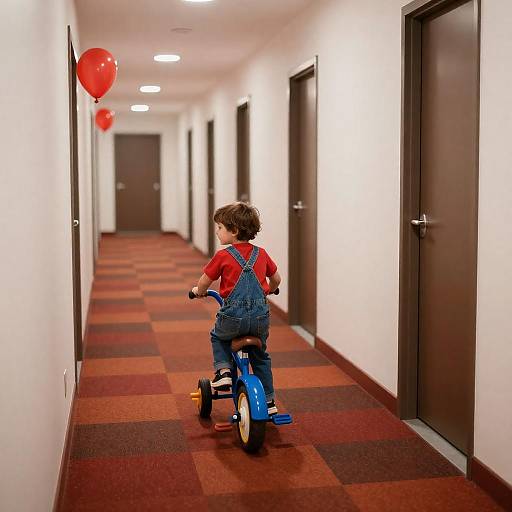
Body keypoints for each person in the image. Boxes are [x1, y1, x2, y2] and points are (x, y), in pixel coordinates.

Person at [192, 202, 281, 414]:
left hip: (233, 317)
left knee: (218, 336)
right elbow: (276, 279)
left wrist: (199, 291)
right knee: (261, 356)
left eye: (220, 227)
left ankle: (224, 373)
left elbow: (204, 281)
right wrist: (268, 290)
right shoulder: (262, 253)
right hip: (260, 318)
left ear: (234, 231)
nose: (217, 231)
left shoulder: (222, 256)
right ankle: (269, 402)